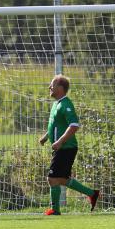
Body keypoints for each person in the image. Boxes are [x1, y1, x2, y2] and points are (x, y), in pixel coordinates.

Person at [39, 75, 99, 215]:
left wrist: (60, 141)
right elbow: (55, 125)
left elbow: (74, 125)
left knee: (52, 178)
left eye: (52, 85)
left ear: (60, 88)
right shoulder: (56, 104)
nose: (49, 87)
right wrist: (46, 137)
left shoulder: (66, 104)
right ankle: (92, 194)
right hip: (61, 147)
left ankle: (55, 210)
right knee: (62, 179)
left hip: (66, 147)